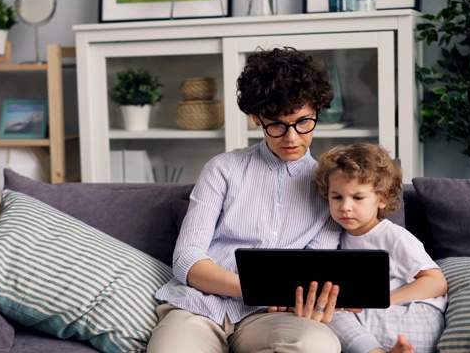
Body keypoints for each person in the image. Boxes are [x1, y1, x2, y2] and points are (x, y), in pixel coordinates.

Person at [147, 46, 345, 353]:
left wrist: (306, 299)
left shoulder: (332, 186)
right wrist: (259, 289)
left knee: (317, 344)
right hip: (199, 309)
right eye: (276, 124)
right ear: (256, 117)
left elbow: (315, 270)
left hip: (268, 318)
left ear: (317, 111)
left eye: (304, 122)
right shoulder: (223, 169)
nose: (292, 138)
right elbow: (187, 260)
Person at [314, 142, 448, 353]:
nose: (345, 207)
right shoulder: (337, 238)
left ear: (382, 199)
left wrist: (384, 301)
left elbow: (436, 282)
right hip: (383, 320)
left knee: (330, 314)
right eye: (337, 197)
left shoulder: (393, 237)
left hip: (416, 317)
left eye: (358, 197)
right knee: (325, 311)